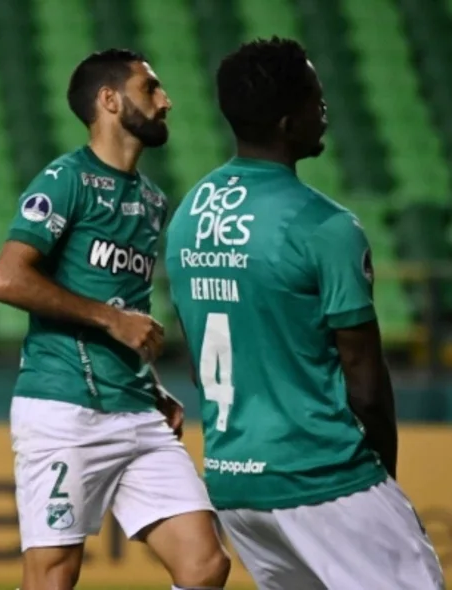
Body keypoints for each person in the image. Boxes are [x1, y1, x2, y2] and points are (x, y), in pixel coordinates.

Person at [165, 37, 445, 590]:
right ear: (288, 123)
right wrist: (377, 476)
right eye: (317, 102)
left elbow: (199, 362)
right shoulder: (326, 226)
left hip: (234, 484)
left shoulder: (188, 216)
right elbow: (364, 376)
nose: (325, 113)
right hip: (321, 476)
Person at [0, 49, 230, 590]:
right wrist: (113, 321)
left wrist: (152, 384)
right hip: (63, 410)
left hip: (136, 410)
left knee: (205, 565)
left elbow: (125, 305)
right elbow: (6, 280)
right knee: (53, 577)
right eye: (151, 89)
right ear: (110, 100)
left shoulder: (151, 200)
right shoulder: (65, 179)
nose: (166, 101)